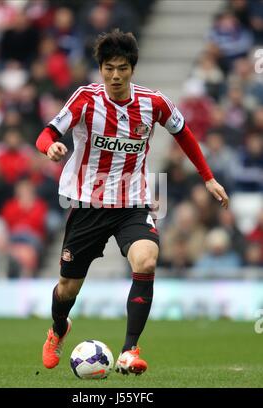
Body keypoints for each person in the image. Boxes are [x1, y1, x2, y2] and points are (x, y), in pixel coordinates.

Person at [36, 29, 229, 376]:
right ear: (100, 68)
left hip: (132, 203)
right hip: (87, 204)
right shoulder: (85, 99)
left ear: (132, 69)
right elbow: (47, 132)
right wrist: (49, 147)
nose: (114, 75)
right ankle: (59, 327)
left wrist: (208, 177)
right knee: (67, 288)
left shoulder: (153, 102)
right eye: (108, 68)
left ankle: (129, 351)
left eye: (121, 68)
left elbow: (183, 133)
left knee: (147, 260)